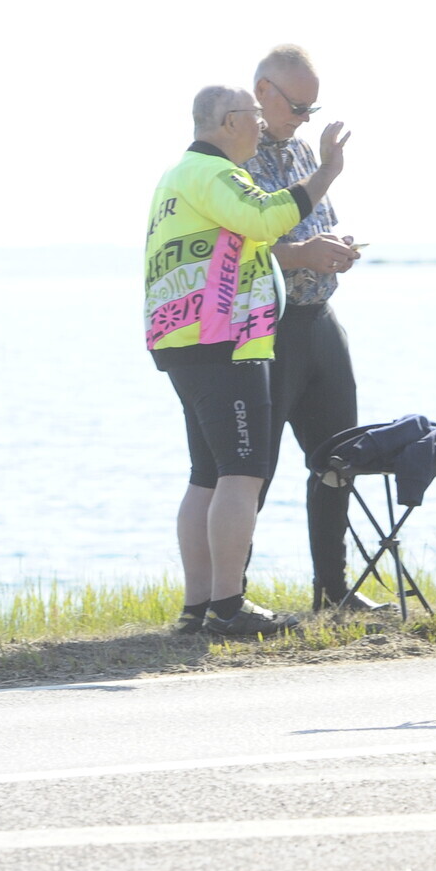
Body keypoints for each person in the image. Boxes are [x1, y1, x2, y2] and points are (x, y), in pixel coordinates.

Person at [143, 85, 348, 636]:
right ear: (230, 121)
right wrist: (326, 173)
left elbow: (239, 242)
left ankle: (198, 608)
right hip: (223, 342)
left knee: (207, 476)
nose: (260, 124)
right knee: (243, 473)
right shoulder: (216, 174)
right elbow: (264, 218)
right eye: (254, 115)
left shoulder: (178, 175)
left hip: (186, 339)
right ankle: (228, 607)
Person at [242, 44, 378, 615]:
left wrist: (337, 249)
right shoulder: (232, 156)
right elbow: (238, 249)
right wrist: (302, 255)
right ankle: (229, 596)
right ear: (263, 92)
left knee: (339, 460)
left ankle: (332, 591)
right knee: (252, 471)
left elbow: (318, 225)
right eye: (297, 107)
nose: (303, 119)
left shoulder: (301, 151)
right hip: (267, 332)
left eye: (311, 109)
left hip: (321, 322)